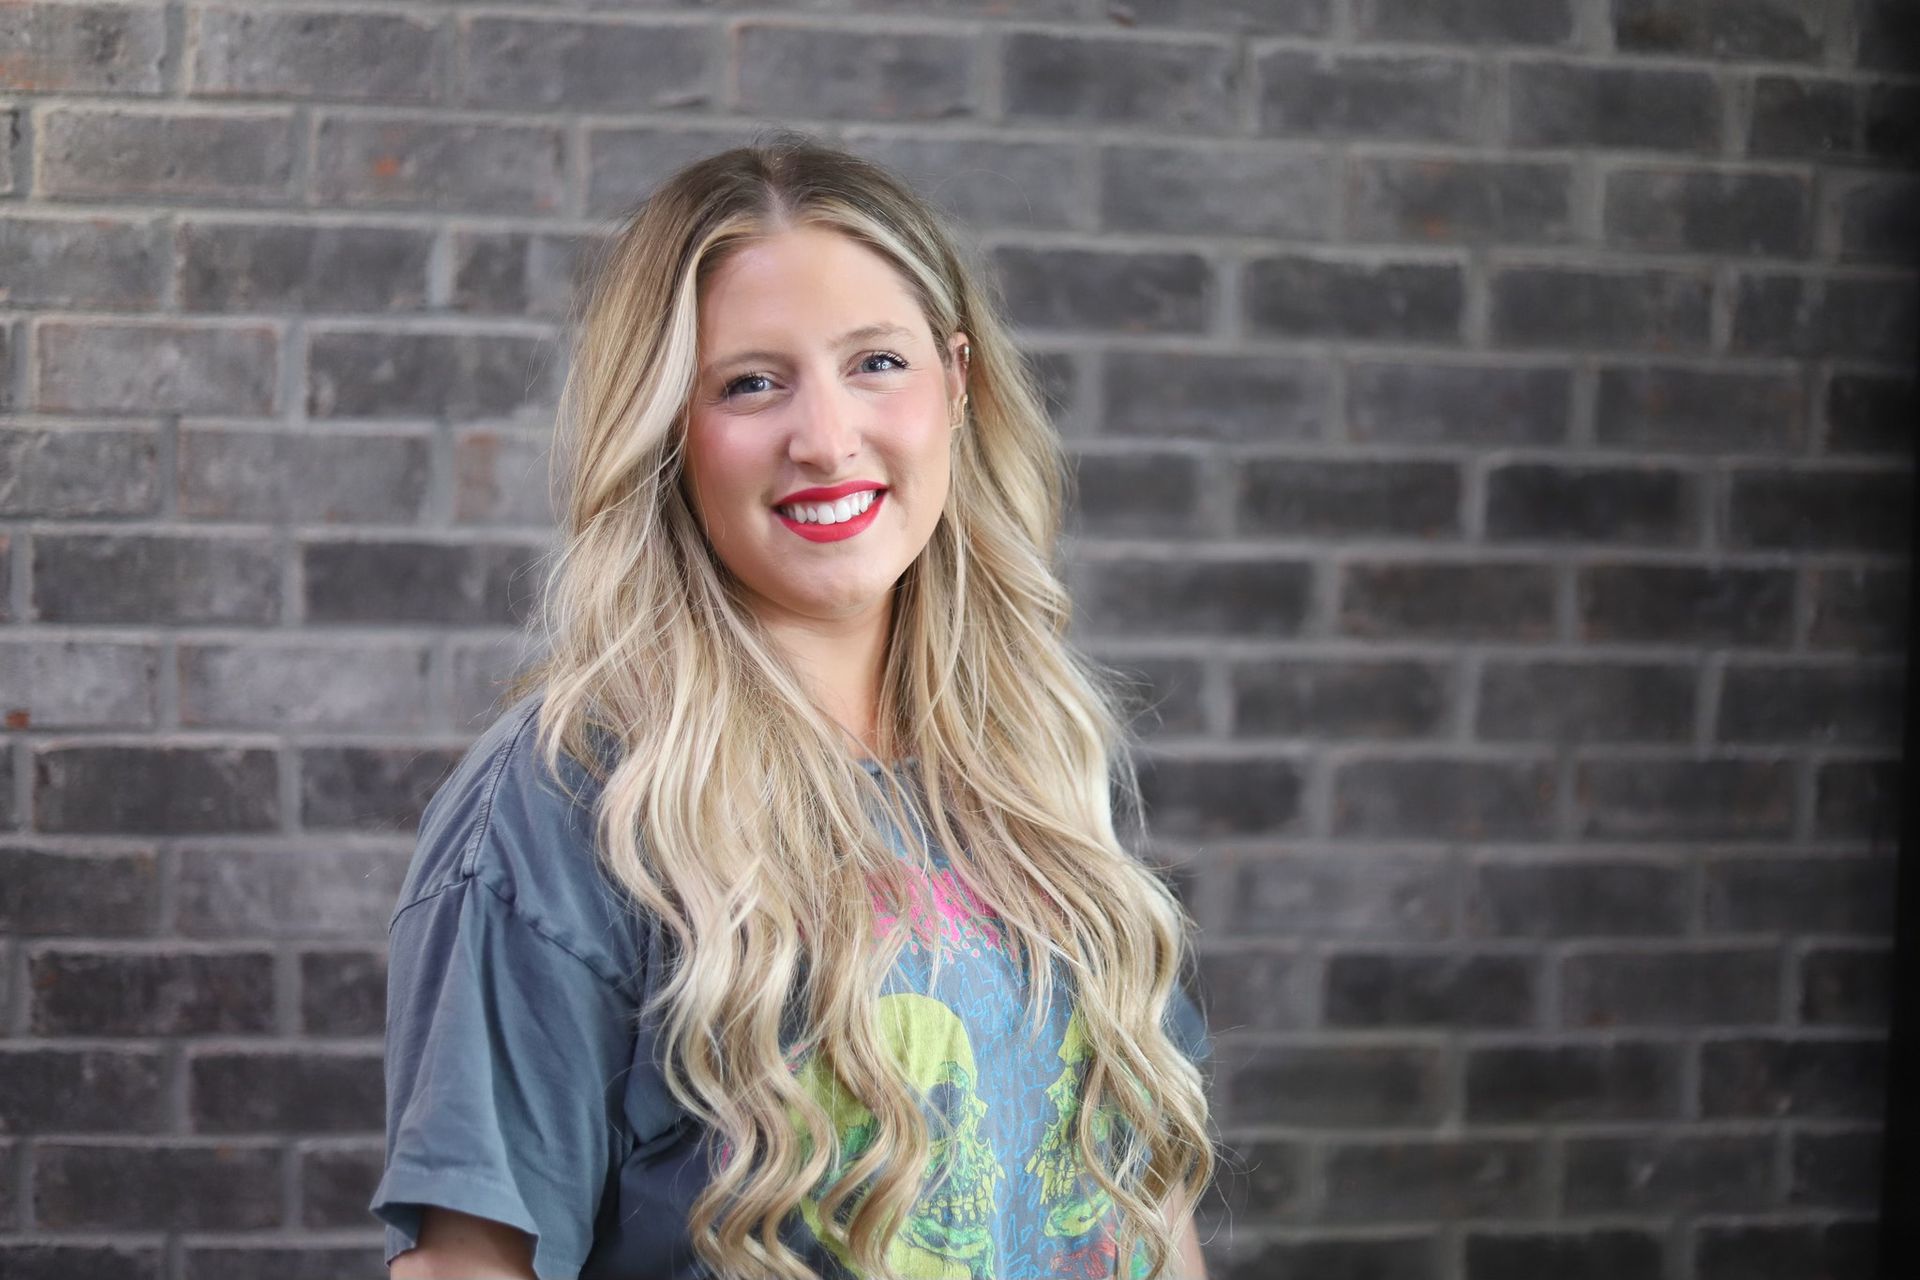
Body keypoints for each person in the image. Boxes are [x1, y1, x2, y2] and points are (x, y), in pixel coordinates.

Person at [369, 129, 1216, 1280]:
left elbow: (1145, 1206)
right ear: (672, 429)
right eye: (752, 383)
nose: (824, 439)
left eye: (876, 363)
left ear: (956, 384)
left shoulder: (1042, 760)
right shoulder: (574, 800)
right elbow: (472, 1265)